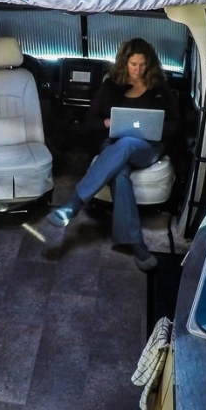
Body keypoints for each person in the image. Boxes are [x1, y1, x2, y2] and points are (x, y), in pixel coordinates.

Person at [47, 38, 179, 272]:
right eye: (133, 64)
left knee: (128, 142)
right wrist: (108, 122)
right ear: (124, 63)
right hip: (114, 144)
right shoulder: (111, 85)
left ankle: (74, 203)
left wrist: (155, 127)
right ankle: (137, 244)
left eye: (142, 65)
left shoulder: (159, 86)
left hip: (148, 147)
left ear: (149, 65)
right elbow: (89, 122)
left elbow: (175, 125)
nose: (137, 70)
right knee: (120, 174)